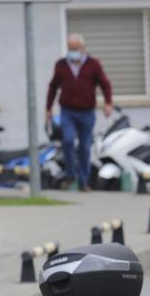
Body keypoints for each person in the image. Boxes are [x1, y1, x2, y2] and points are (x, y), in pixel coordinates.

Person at [45, 33, 113, 191]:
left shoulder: (93, 64)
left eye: (76, 48)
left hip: (87, 111)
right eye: (70, 48)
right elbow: (53, 87)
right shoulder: (61, 65)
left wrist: (108, 103)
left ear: (82, 48)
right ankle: (70, 175)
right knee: (68, 141)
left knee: (84, 147)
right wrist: (48, 108)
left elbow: (105, 84)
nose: (73, 51)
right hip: (68, 111)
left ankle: (84, 181)